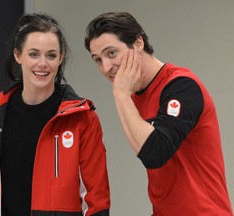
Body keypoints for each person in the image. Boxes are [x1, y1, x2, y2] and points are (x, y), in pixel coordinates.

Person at [0, 13, 110, 216]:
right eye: (33, 54)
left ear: (60, 59)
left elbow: (96, 200)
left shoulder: (83, 118)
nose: (43, 63)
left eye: (51, 55)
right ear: (18, 55)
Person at [84, 11, 233, 215]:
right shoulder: (132, 95)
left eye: (111, 53)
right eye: (97, 60)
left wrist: (120, 96)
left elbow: (155, 153)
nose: (106, 67)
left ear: (138, 43)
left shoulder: (182, 87)